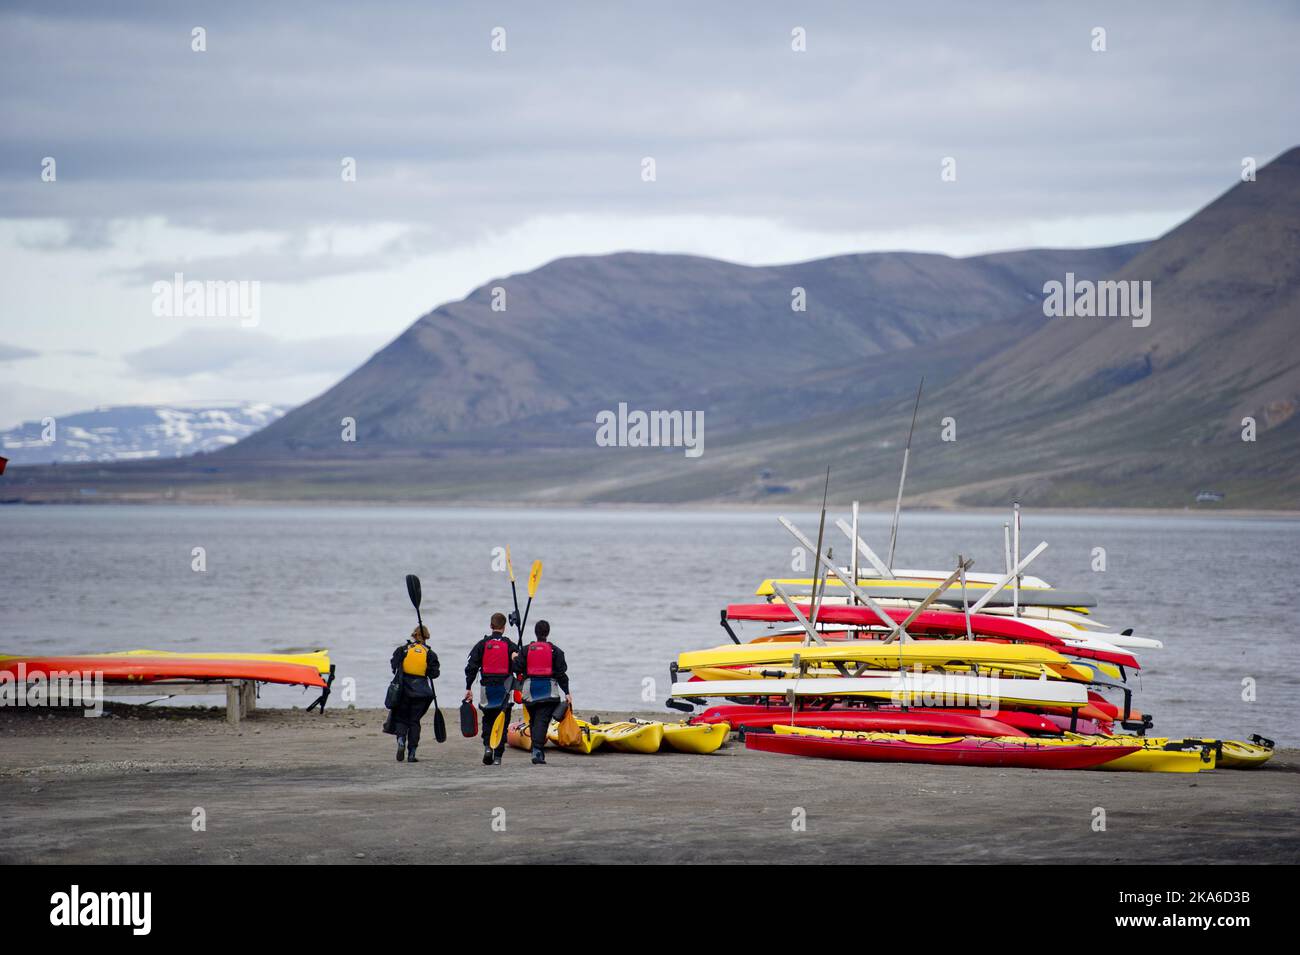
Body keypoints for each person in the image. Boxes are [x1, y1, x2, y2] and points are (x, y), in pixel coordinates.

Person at [512, 619, 572, 765]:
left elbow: (516, 669)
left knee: (535, 720)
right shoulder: (556, 651)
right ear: (548, 633)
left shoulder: (526, 650)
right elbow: (561, 673)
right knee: (542, 721)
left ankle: (536, 747)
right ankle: (537, 750)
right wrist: (567, 692)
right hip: (548, 692)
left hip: (529, 692)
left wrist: (515, 658)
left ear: (536, 633)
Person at [463, 612, 519, 766]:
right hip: (505, 689)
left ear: (491, 626)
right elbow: (519, 665)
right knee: (503, 720)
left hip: (487, 688)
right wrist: (517, 656)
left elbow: (471, 667)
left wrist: (468, 687)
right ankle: (498, 756)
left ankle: (488, 747)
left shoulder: (482, 644)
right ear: (504, 627)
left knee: (488, 719)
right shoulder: (509, 644)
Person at [389, 625, 440, 763]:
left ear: (414, 635)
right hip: (422, 693)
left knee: (401, 718)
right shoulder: (430, 653)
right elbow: (435, 674)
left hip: (403, 690)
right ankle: (412, 753)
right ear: (427, 637)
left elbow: (394, 665)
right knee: (414, 721)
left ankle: (400, 740)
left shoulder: (403, 650)